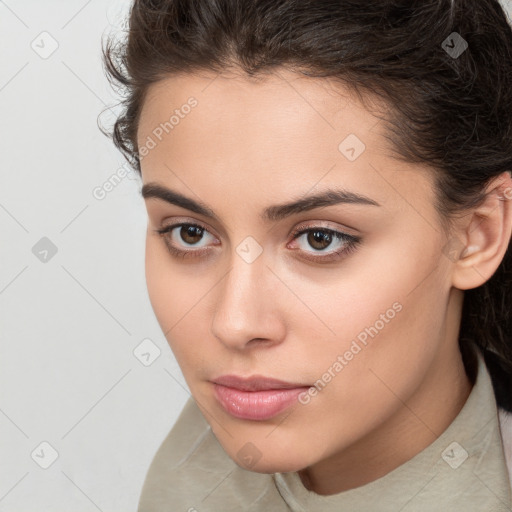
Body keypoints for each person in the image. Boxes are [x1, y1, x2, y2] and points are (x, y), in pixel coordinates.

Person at [100, 0, 512, 510]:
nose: (234, 323)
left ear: (478, 234)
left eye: (321, 238)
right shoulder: (185, 473)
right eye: (189, 233)